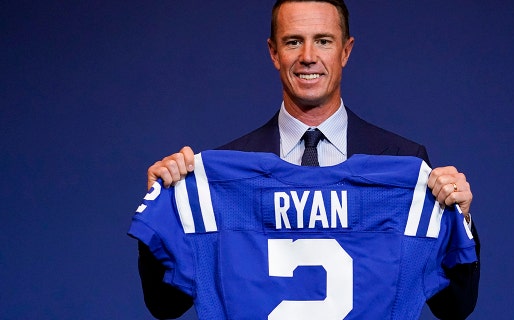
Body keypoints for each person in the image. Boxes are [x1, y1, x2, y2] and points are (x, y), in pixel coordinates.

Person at [138, 0, 480, 319]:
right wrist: (166, 206)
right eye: (292, 42)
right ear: (274, 53)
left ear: (346, 51)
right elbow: (165, 305)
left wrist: (460, 216)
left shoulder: (404, 163)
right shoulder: (223, 175)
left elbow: (455, 307)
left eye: (324, 41)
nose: (308, 56)